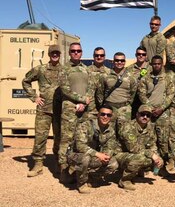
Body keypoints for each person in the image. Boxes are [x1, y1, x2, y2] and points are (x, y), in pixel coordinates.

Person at [23, 44, 62, 177]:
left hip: (60, 110)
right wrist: (34, 97)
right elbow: (26, 81)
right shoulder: (40, 69)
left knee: (60, 138)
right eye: (52, 53)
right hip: (43, 109)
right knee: (40, 137)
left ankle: (58, 162)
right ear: (49, 55)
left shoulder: (65, 70)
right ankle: (38, 163)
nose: (55, 55)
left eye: (57, 53)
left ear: (60, 54)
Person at [58, 42, 93, 180]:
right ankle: (64, 170)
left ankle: (76, 168)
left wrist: (85, 102)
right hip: (69, 109)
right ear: (69, 53)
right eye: (73, 51)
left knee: (81, 139)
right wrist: (81, 100)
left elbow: (91, 87)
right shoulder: (64, 69)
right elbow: (65, 89)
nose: (76, 53)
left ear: (82, 52)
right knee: (66, 140)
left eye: (78, 51)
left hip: (84, 109)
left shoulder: (86, 69)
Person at [67, 105, 119, 193]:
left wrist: (106, 156)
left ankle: (91, 177)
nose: (105, 117)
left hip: (94, 156)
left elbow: (110, 147)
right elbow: (80, 146)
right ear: (98, 115)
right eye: (103, 114)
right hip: (76, 155)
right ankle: (81, 183)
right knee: (85, 159)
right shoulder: (86, 125)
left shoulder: (110, 131)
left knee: (113, 164)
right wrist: (98, 154)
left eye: (108, 115)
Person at [138, 55, 175, 169]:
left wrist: (162, 108)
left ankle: (163, 162)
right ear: (151, 64)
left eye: (159, 63)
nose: (156, 65)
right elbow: (141, 93)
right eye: (154, 64)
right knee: (148, 138)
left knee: (163, 138)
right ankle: (148, 163)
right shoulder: (145, 78)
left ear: (162, 64)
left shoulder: (168, 78)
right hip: (148, 113)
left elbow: (170, 94)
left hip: (162, 113)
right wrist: (149, 108)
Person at [115, 105, 164, 191]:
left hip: (136, 154)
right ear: (137, 114)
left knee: (157, 160)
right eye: (142, 114)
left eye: (148, 115)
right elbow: (133, 148)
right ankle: (125, 180)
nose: (145, 117)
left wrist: (157, 156)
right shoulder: (128, 127)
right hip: (120, 155)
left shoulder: (150, 128)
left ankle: (137, 172)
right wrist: (152, 154)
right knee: (141, 158)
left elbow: (152, 145)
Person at [97, 52, 137, 123]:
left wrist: (127, 104)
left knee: (124, 132)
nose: (119, 62)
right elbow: (100, 92)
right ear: (113, 61)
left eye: (122, 60)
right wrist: (102, 106)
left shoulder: (131, 77)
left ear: (124, 62)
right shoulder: (105, 75)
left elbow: (133, 92)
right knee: (110, 131)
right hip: (109, 108)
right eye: (117, 60)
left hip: (124, 109)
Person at [126, 46, 150, 116]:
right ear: (135, 55)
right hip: (133, 100)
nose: (141, 56)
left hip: (147, 99)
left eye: (143, 54)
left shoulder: (151, 68)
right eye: (139, 54)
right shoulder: (129, 69)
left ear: (146, 56)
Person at [87, 47, 110, 116]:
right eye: (97, 55)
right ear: (93, 56)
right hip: (90, 109)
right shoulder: (86, 71)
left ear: (104, 57)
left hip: (105, 108)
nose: (99, 57)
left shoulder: (109, 72)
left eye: (101, 55)